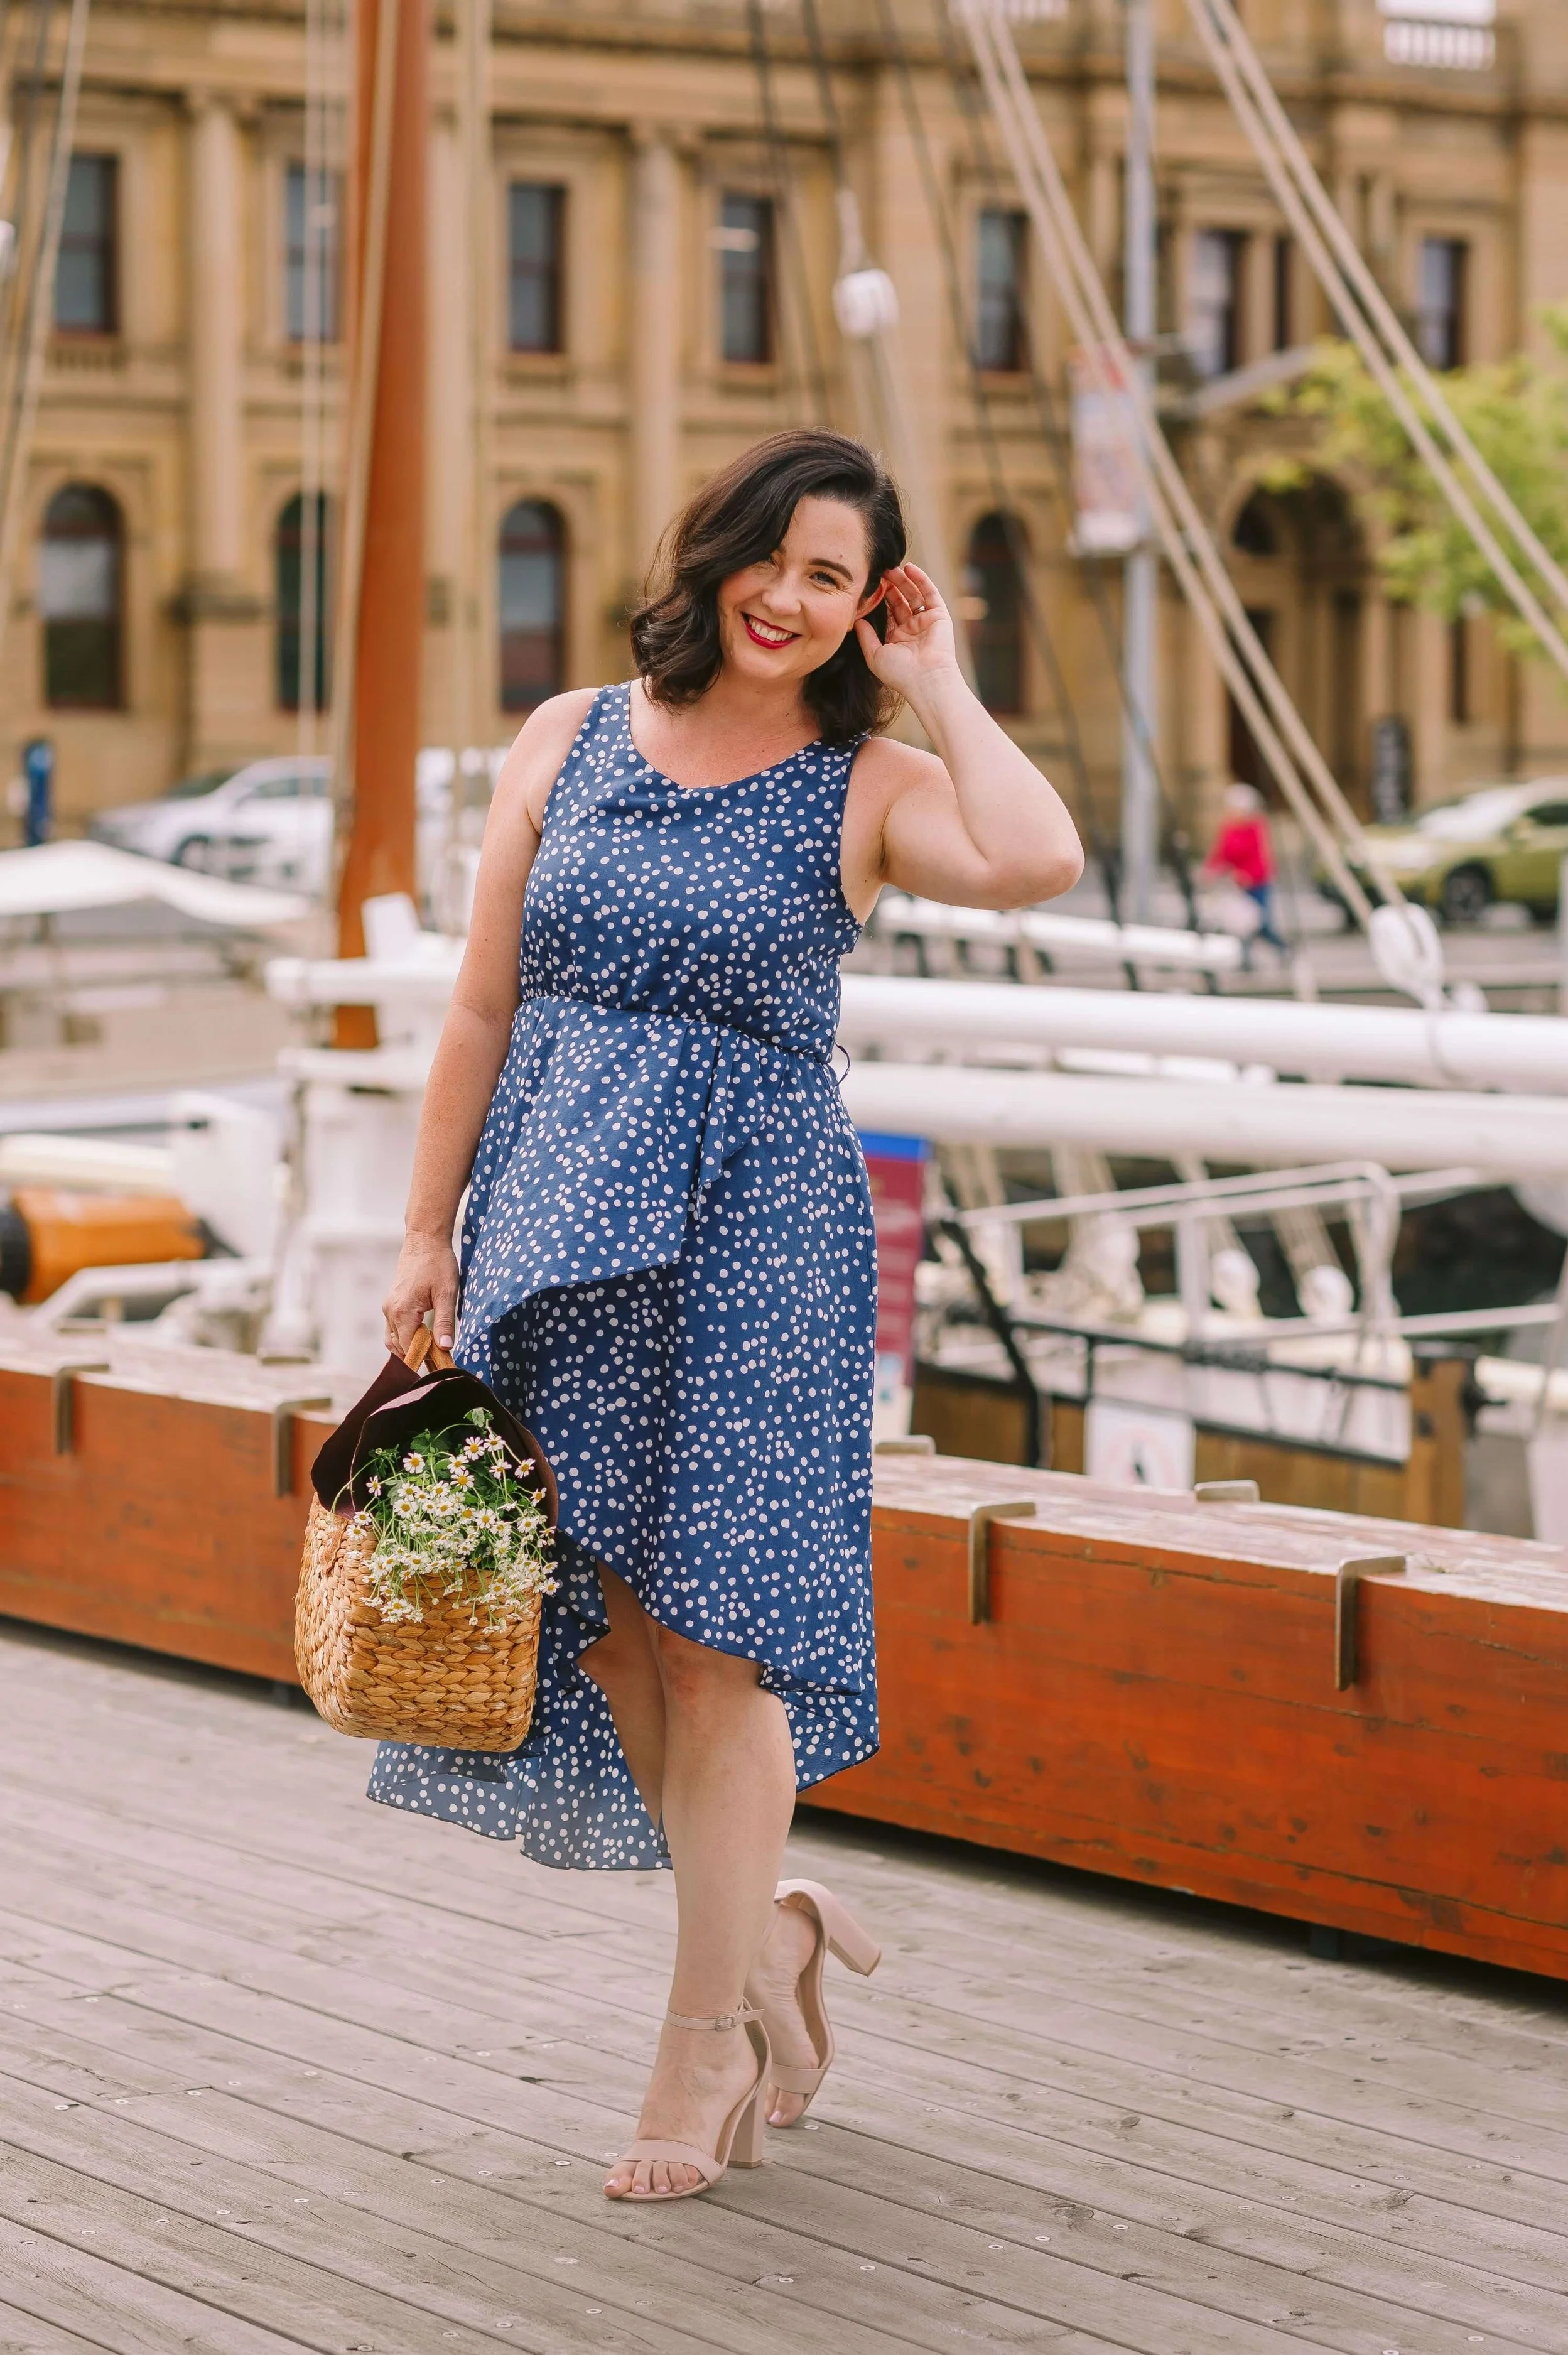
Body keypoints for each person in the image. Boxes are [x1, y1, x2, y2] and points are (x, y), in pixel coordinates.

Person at [377, 428, 1083, 2203]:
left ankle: (698, 2045)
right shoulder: (569, 737)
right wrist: (421, 1226)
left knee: (717, 1637)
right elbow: (478, 1007)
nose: (789, 597)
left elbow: (1035, 859)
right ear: (712, 557)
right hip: (552, 1215)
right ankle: (767, 1937)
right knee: (609, 1633)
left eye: (832, 578)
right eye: (770, 558)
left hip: (756, 1243)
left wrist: (938, 680)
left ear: (866, 604)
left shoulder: (865, 777)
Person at [1205, 780, 1287, 962]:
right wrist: (1210, 871)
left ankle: (1284, 950)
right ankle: (1245, 960)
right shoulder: (1229, 829)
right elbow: (1222, 854)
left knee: (1262, 923)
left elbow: (1261, 858)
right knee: (1241, 925)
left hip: (1258, 883)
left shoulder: (1256, 828)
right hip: (1238, 884)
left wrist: (1249, 874)